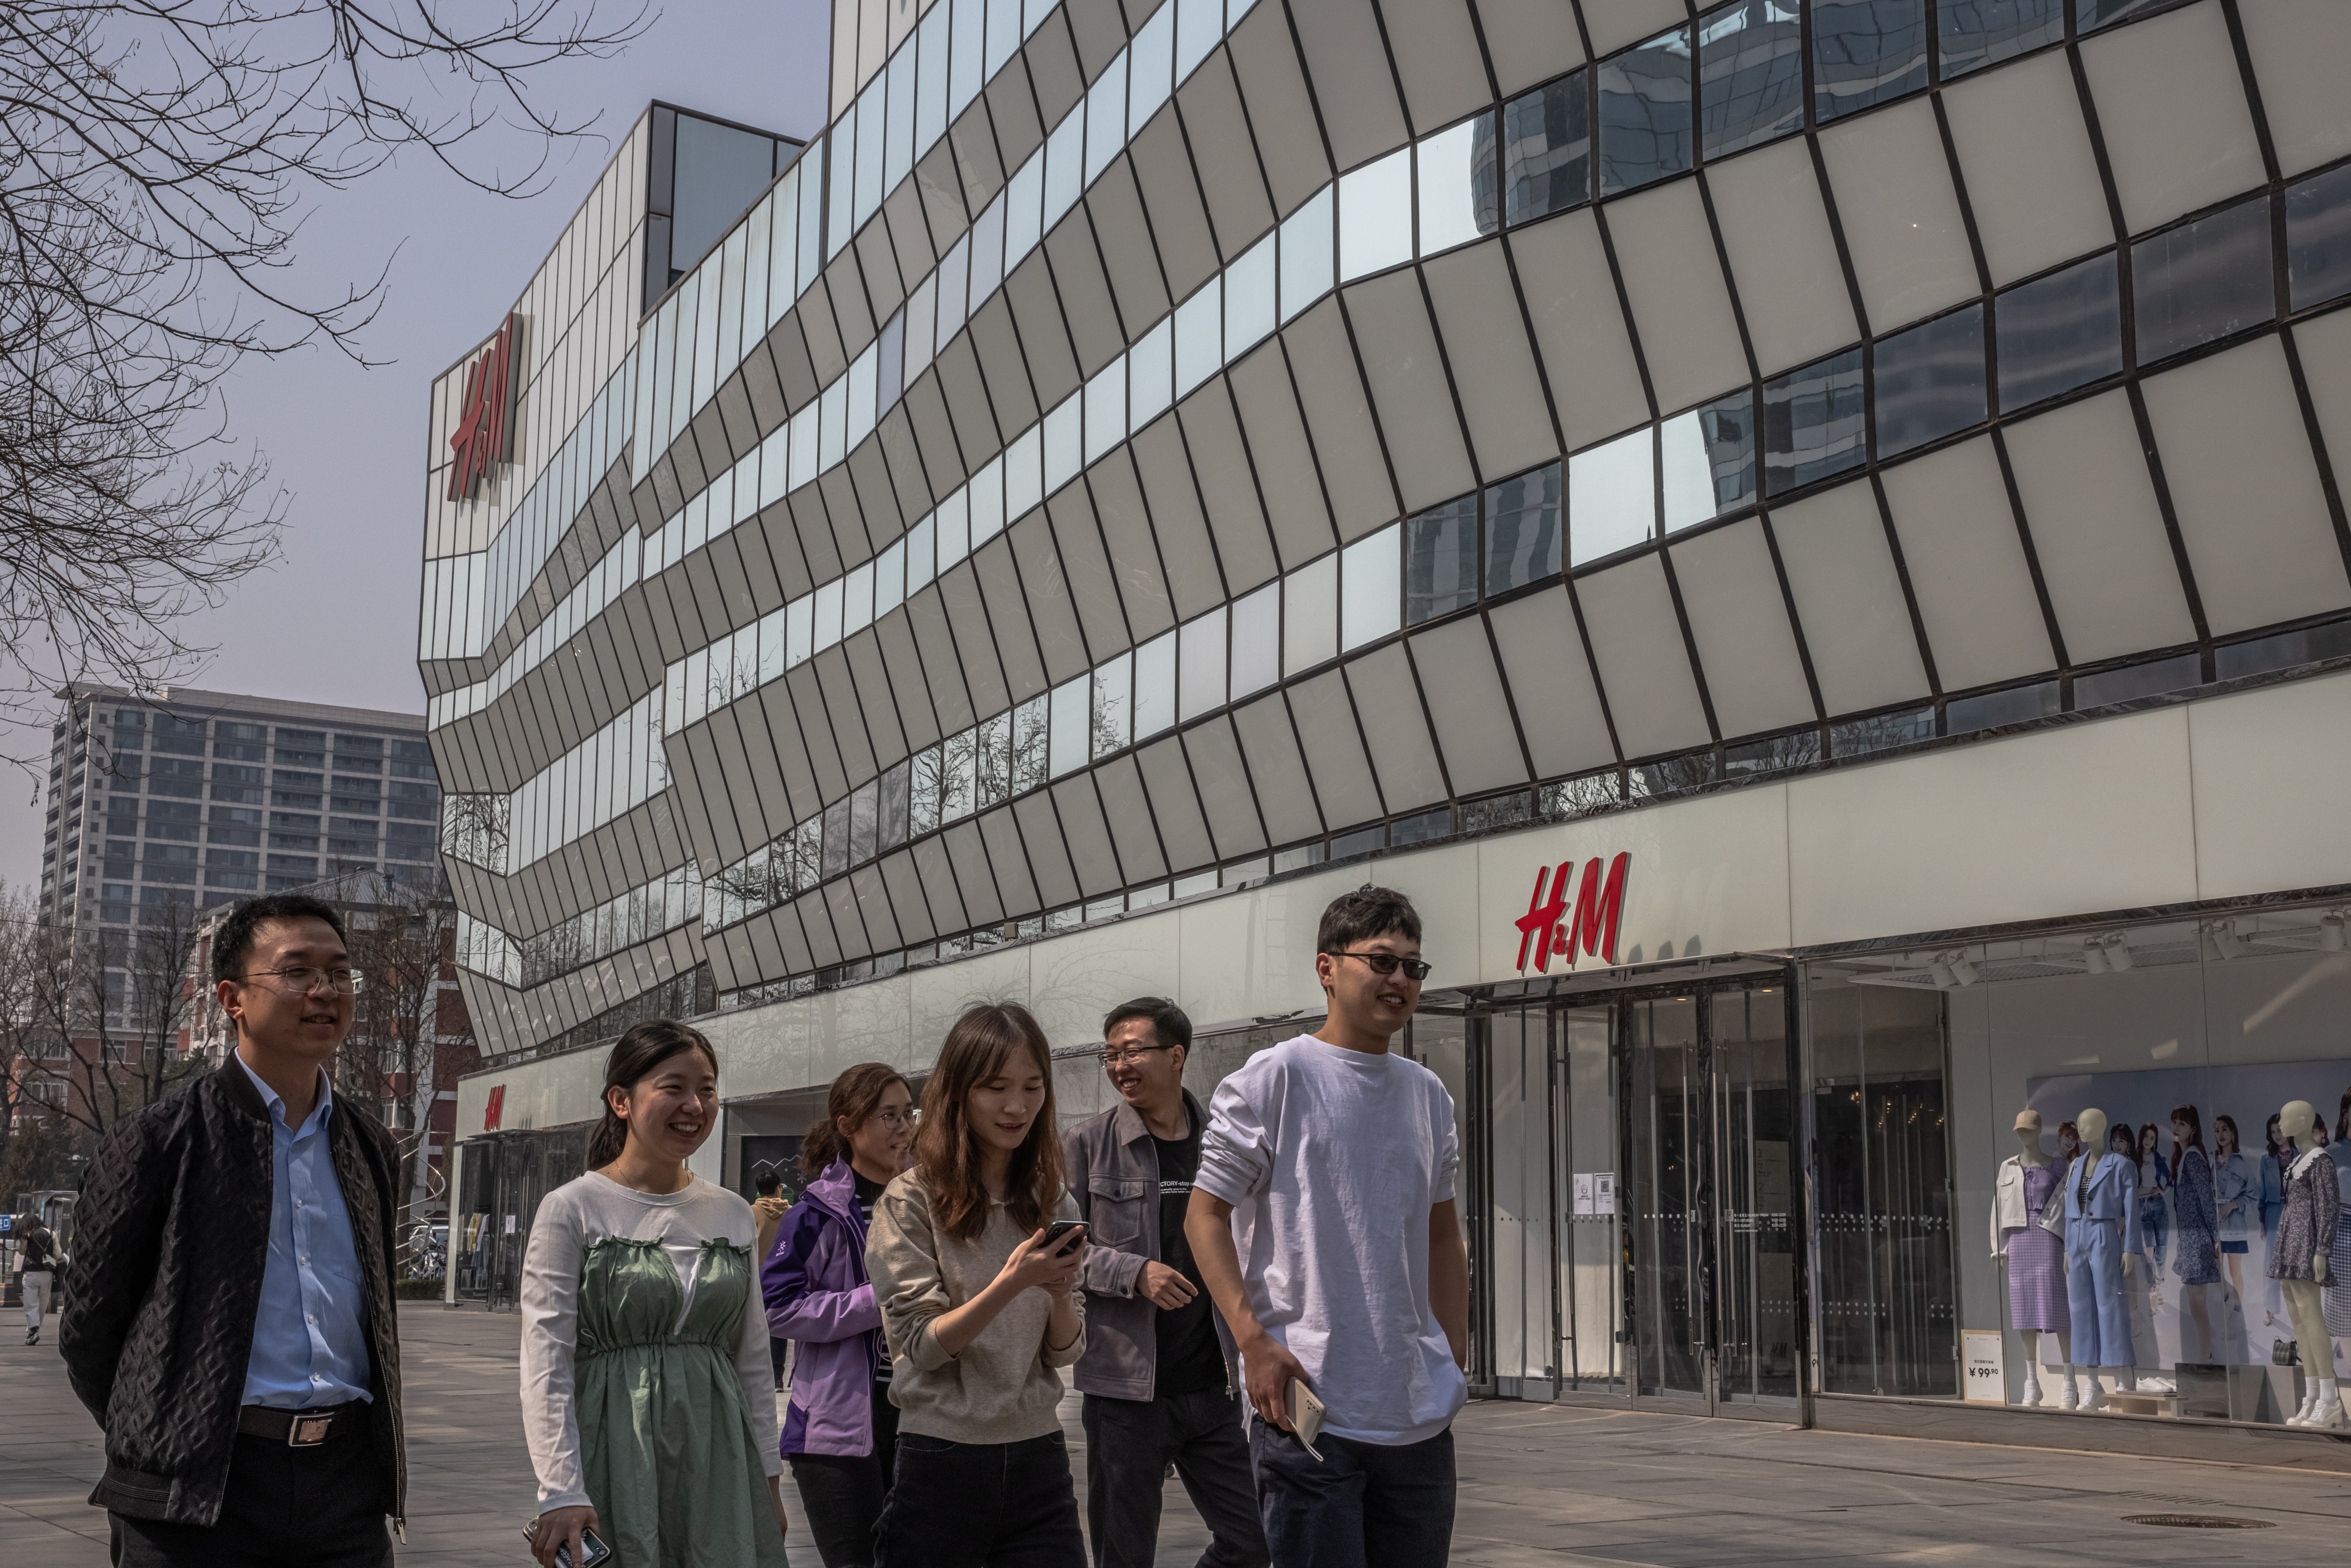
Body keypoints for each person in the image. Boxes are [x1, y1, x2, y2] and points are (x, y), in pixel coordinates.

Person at [61, 893, 407, 1567]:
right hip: (197, 1497)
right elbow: (89, 1330)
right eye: (297, 971)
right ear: (232, 998)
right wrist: (168, 1427)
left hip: (345, 1491)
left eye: (339, 973)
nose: (325, 991)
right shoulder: (159, 1140)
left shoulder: (368, 1144)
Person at [1186, 885, 1469, 1568]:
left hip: (1417, 1417)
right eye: (1379, 961)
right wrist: (1251, 1340)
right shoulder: (1273, 1078)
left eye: (1411, 966)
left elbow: (1441, 1238)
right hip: (1307, 1411)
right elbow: (1204, 1217)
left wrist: (1452, 1363)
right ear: (1326, 968)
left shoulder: (1426, 1094)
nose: (1397, 979)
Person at [520, 1021, 791, 1568]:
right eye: (674, 1087)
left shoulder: (734, 1212)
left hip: (719, 1454)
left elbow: (753, 1362)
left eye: (707, 1089)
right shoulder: (573, 1206)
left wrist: (769, 1477)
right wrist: (561, 1487)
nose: (694, 1104)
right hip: (613, 1449)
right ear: (621, 1100)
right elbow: (545, 1358)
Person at [866, 1002, 1088, 1568]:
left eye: (1032, 1087)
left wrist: (1060, 1293)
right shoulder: (910, 1199)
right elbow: (923, 1345)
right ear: (958, 1091)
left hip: (1039, 1456)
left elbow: (1064, 1351)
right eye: (996, 1087)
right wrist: (1012, 1282)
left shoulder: (1052, 1198)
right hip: (942, 1457)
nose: (1018, 1106)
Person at [1064, 999, 1268, 1568]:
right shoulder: (1086, 1144)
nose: (1119, 1065)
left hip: (1215, 1385)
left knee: (1255, 1542)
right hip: (1126, 1393)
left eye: (1132, 1051)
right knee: (1123, 1554)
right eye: (1110, 1054)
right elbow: (1053, 1251)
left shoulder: (1222, 1142)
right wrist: (1133, 1271)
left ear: (1176, 1055)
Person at [766, 1062, 916, 1568]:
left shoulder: (929, 1201)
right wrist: (880, 1301)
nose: (903, 1127)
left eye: (907, 1114)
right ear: (848, 1126)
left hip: (923, 1414)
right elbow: (777, 1306)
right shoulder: (814, 1212)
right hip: (836, 1427)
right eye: (888, 1115)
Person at [756, 1172, 792, 1388]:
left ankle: (758, 1376)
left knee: (754, 1328)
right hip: (782, 1278)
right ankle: (777, 1377)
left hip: (755, 1279)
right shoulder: (791, 1213)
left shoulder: (750, 1212)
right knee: (777, 1329)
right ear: (779, 1188)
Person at [19, 1216, 60, 1345]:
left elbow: (22, 1252)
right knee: (42, 1305)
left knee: (31, 1304)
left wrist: (24, 1240)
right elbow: (58, 1255)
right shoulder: (51, 1234)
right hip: (47, 1274)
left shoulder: (27, 1234)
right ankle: (34, 1331)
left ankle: (33, 1331)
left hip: (31, 1273)